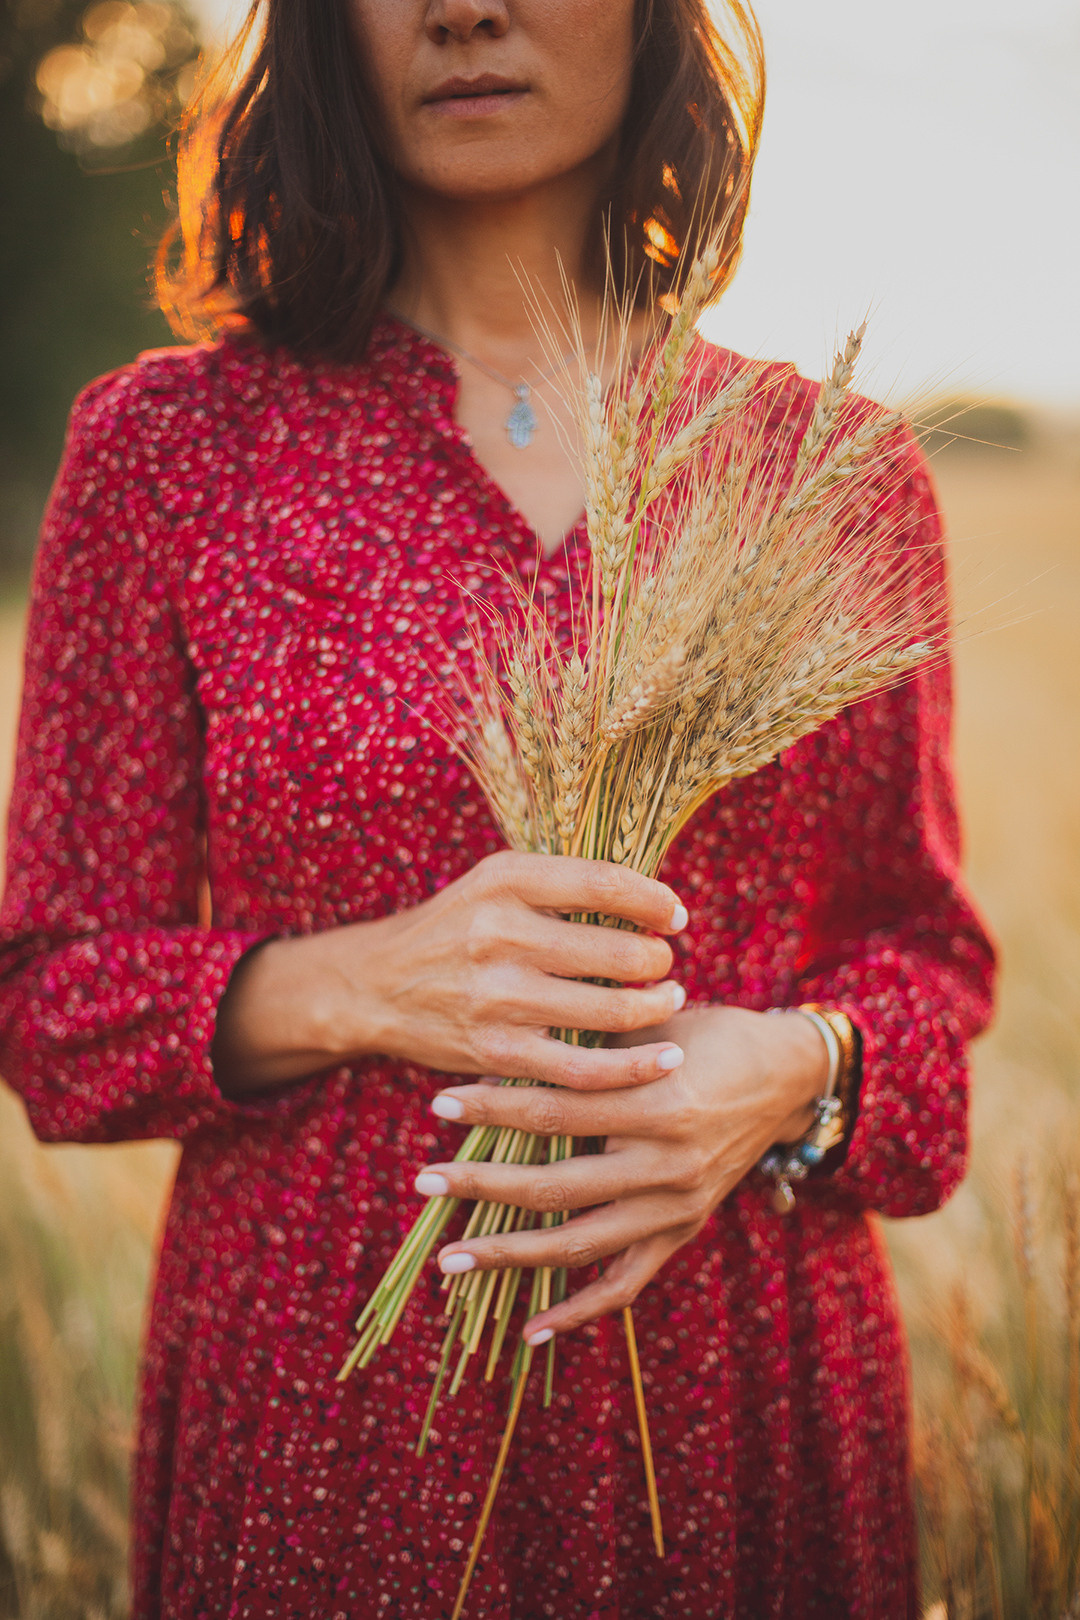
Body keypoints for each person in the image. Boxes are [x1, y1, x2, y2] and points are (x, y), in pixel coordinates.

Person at [0, 1, 995, 1615]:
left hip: (736, 1402)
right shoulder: (170, 452)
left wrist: (787, 1075)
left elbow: (930, 981)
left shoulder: (829, 471)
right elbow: (50, 1006)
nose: (467, 7)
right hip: (330, 1417)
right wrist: (358, 982)